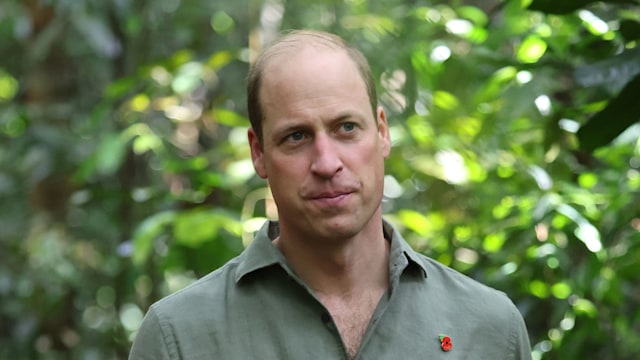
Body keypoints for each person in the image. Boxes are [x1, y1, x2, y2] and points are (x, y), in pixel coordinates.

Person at [129, 29, 532, 359]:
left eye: (346, 128)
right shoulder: (180, 337)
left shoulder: (489, 327)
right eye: (297, 136)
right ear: (259, 153)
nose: (326, 162)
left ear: (382, 132)